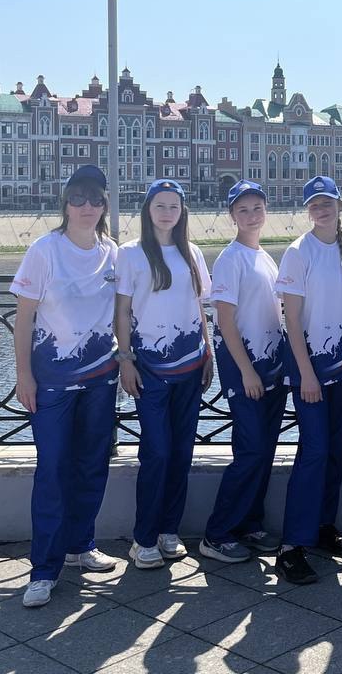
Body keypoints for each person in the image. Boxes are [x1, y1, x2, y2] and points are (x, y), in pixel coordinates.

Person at [13, 165, 120, 608]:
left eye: (95, 198)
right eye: (78, 197)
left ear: (104, 206)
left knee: (93, 463)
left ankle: (81, 545)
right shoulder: (45, 250)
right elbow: (23, 319)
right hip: (53, 382)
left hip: (100, 378)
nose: (86, 206)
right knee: (53, 469)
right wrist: (24, 375)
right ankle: (44, 569)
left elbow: (124, 313)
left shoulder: (112, 252)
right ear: (66, 204)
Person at [115, 179, 214, 570]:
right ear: (148, 210)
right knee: (156, 452)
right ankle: (144, 538)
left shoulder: (192, 252)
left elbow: (199, 307)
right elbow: (122, 310)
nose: (167, 213)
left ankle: (169, 531)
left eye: (174, 206)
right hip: (150, 370)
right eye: (160, 205)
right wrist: (125, 359)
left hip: (190, 366)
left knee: (181, 452)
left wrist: (208, 352)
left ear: (182, 211)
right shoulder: (131, 254)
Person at [274, 175, 342, 583]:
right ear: (308, 210)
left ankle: (324, 526)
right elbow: (291, 320)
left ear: (340, 206)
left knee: (335, 451)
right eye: (314, 204)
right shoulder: (298, 252)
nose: (321, 209)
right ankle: (291, 546)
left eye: (327, 202)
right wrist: (306, 374)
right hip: (309, 373)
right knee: (313, 452)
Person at [200, 181, 286, 566]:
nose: (252, 216)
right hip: (245, 372)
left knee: (263, 452)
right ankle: (217, 534)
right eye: (243, 210)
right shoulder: (230, 259)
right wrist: (247, 372)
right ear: (232, 215)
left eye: (257, 208)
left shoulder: (264, 258)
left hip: (272, 369)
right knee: (250, 451)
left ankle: (250, 523)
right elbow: (225, 321)